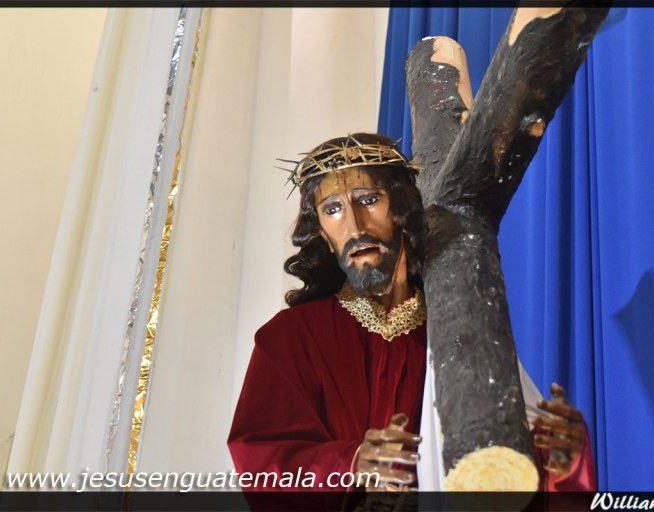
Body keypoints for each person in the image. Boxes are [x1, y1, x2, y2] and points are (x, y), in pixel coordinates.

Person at [227, 133, 595, 496]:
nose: (354, 225)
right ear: (322, 233)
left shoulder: (458, 325)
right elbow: (261, 460)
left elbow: (499, 468)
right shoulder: (290, 338)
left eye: (368, 199)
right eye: (332, 209)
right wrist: (350, 463)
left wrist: (561, 459)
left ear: (403, 210)